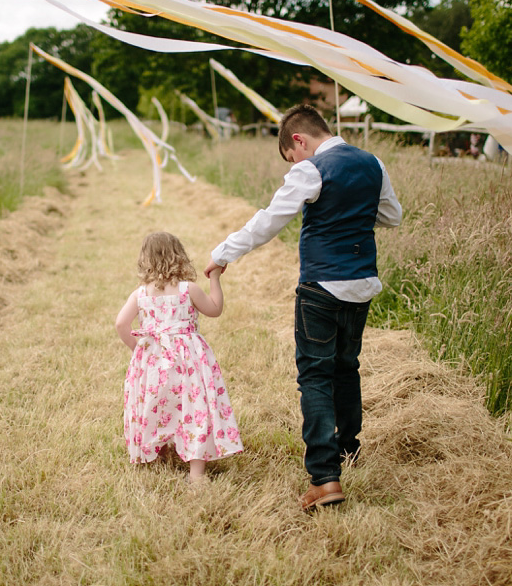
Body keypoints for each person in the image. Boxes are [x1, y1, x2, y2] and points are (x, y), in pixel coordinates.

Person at [204, 104, 402, 510]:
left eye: (292, 157)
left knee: (314, 375)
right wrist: (353, 213)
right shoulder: (372, 163)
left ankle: (325, 478)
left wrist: (224, 253)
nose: (294, 163)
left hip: (322, 287)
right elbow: (391, 216)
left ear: (299, 140)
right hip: (362, 284)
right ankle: (349, 450)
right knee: (347, 368)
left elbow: (270, 220)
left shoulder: (312, 169)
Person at [115, 231, 243, 484]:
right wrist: (215, 278)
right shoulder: (189, 289)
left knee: (157, 404)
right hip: (188, 361)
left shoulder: (140, 294)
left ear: (145, 260)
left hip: (154, 360)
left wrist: (138, 350)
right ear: (179, 256)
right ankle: (196, 474)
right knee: (194, 407)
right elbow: (215, 310)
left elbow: (121, 323)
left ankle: (157, 454)